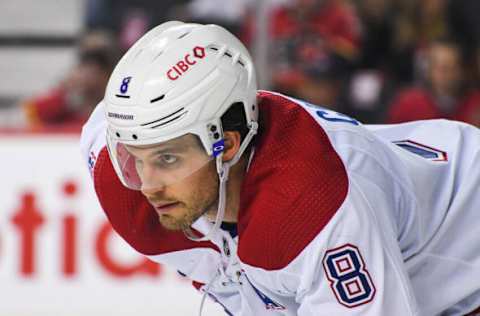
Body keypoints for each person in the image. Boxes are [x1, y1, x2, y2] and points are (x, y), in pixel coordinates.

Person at [80, 21, 480, 315]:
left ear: (227, 144)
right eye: (134, 158)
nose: (148, 185)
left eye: (168, 158)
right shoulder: (124, 183)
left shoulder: (313, 206)